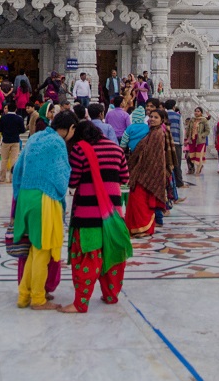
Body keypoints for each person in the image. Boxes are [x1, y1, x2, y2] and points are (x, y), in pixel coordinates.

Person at [60, 116, 130, 313]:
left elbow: (73, 181)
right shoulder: (117, 150)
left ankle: (80, 302)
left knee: (87, 257)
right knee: (113, 254)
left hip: (86, 213)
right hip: (113, 213)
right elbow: (124, 176)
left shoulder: (79, 149)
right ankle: (110, 295)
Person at [13, 110, 75, 311]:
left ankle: (25, 294)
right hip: (45, 198)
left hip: (26, 195)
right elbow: (61, 175)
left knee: (34, 248)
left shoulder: (36, 137)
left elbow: (18, 167)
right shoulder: (57, 143)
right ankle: (38, 298)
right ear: (69, 128)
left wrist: (18, 195)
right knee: (43, 250)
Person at [124, 109, 168, 236]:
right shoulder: (151, 132)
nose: (152, 119)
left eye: (156, 117)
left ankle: (143, 228)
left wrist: (144, 173)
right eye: (151, 116)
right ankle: (137, 227)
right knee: (136, 201)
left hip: (147, 174)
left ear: (162, 120)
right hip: (141, 172)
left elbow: (153, 157)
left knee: (140, 202)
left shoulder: (158, 133)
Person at [0, 105, 27, 183]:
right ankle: (12, 178)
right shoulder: (19, 118)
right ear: (16, 109)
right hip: (15, 140)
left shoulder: (3, 118)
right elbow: (23, 130)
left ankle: (2, 177)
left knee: (4, 160)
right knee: (14, 159)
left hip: (5, 140)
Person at [185, 107, 208, 175]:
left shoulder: (204, 120)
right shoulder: (192, 120)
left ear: (201, 112)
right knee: (191, 155)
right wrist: (188, 139)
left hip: (200, 140)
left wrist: (201, 135)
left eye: (198, 111)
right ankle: (196, 168)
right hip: (192, 140)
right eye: (195, 111)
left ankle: (197, 171)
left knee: (199, 155)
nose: (196, 112)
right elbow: (188, 130)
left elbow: (207, 131)